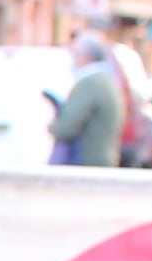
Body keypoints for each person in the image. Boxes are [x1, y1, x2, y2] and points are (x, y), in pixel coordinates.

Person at [50, 30, 124, 169]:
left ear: (85, 57)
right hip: (103, 159)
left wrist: (50, 126)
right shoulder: (106, 80)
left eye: (75, 54)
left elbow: (66, 127)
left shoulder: (90, 84)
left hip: (88, 162)